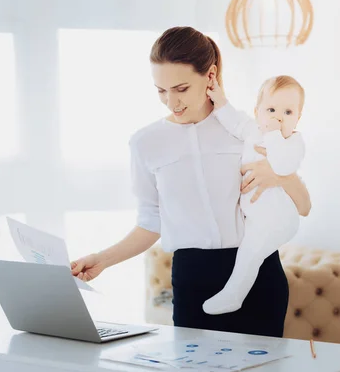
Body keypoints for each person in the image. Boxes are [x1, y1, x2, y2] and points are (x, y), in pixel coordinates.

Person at [70, 26, 311, 338]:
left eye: (181, 88)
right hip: (192, 279)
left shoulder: (243, 130)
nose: (172, 102)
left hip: (258, 275)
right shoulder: (146, 143)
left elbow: (303, 206)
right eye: (161, 91)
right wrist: (102, 260)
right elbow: (150, 222)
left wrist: (280, 175)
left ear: (210, 77)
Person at [202, 75, 306, 315]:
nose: (278, 118)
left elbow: (282, 166)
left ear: (298, 118)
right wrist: (218, 98)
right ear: (257, 111)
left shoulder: (293, 142)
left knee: (249, 254)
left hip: (278, 219)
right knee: (249, 252)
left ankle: (233, 295)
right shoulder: (252, 131)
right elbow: (234, 120)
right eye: (271, 109)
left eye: (288, 112)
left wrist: (273, 135)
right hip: (257, 217)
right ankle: (233, 294)